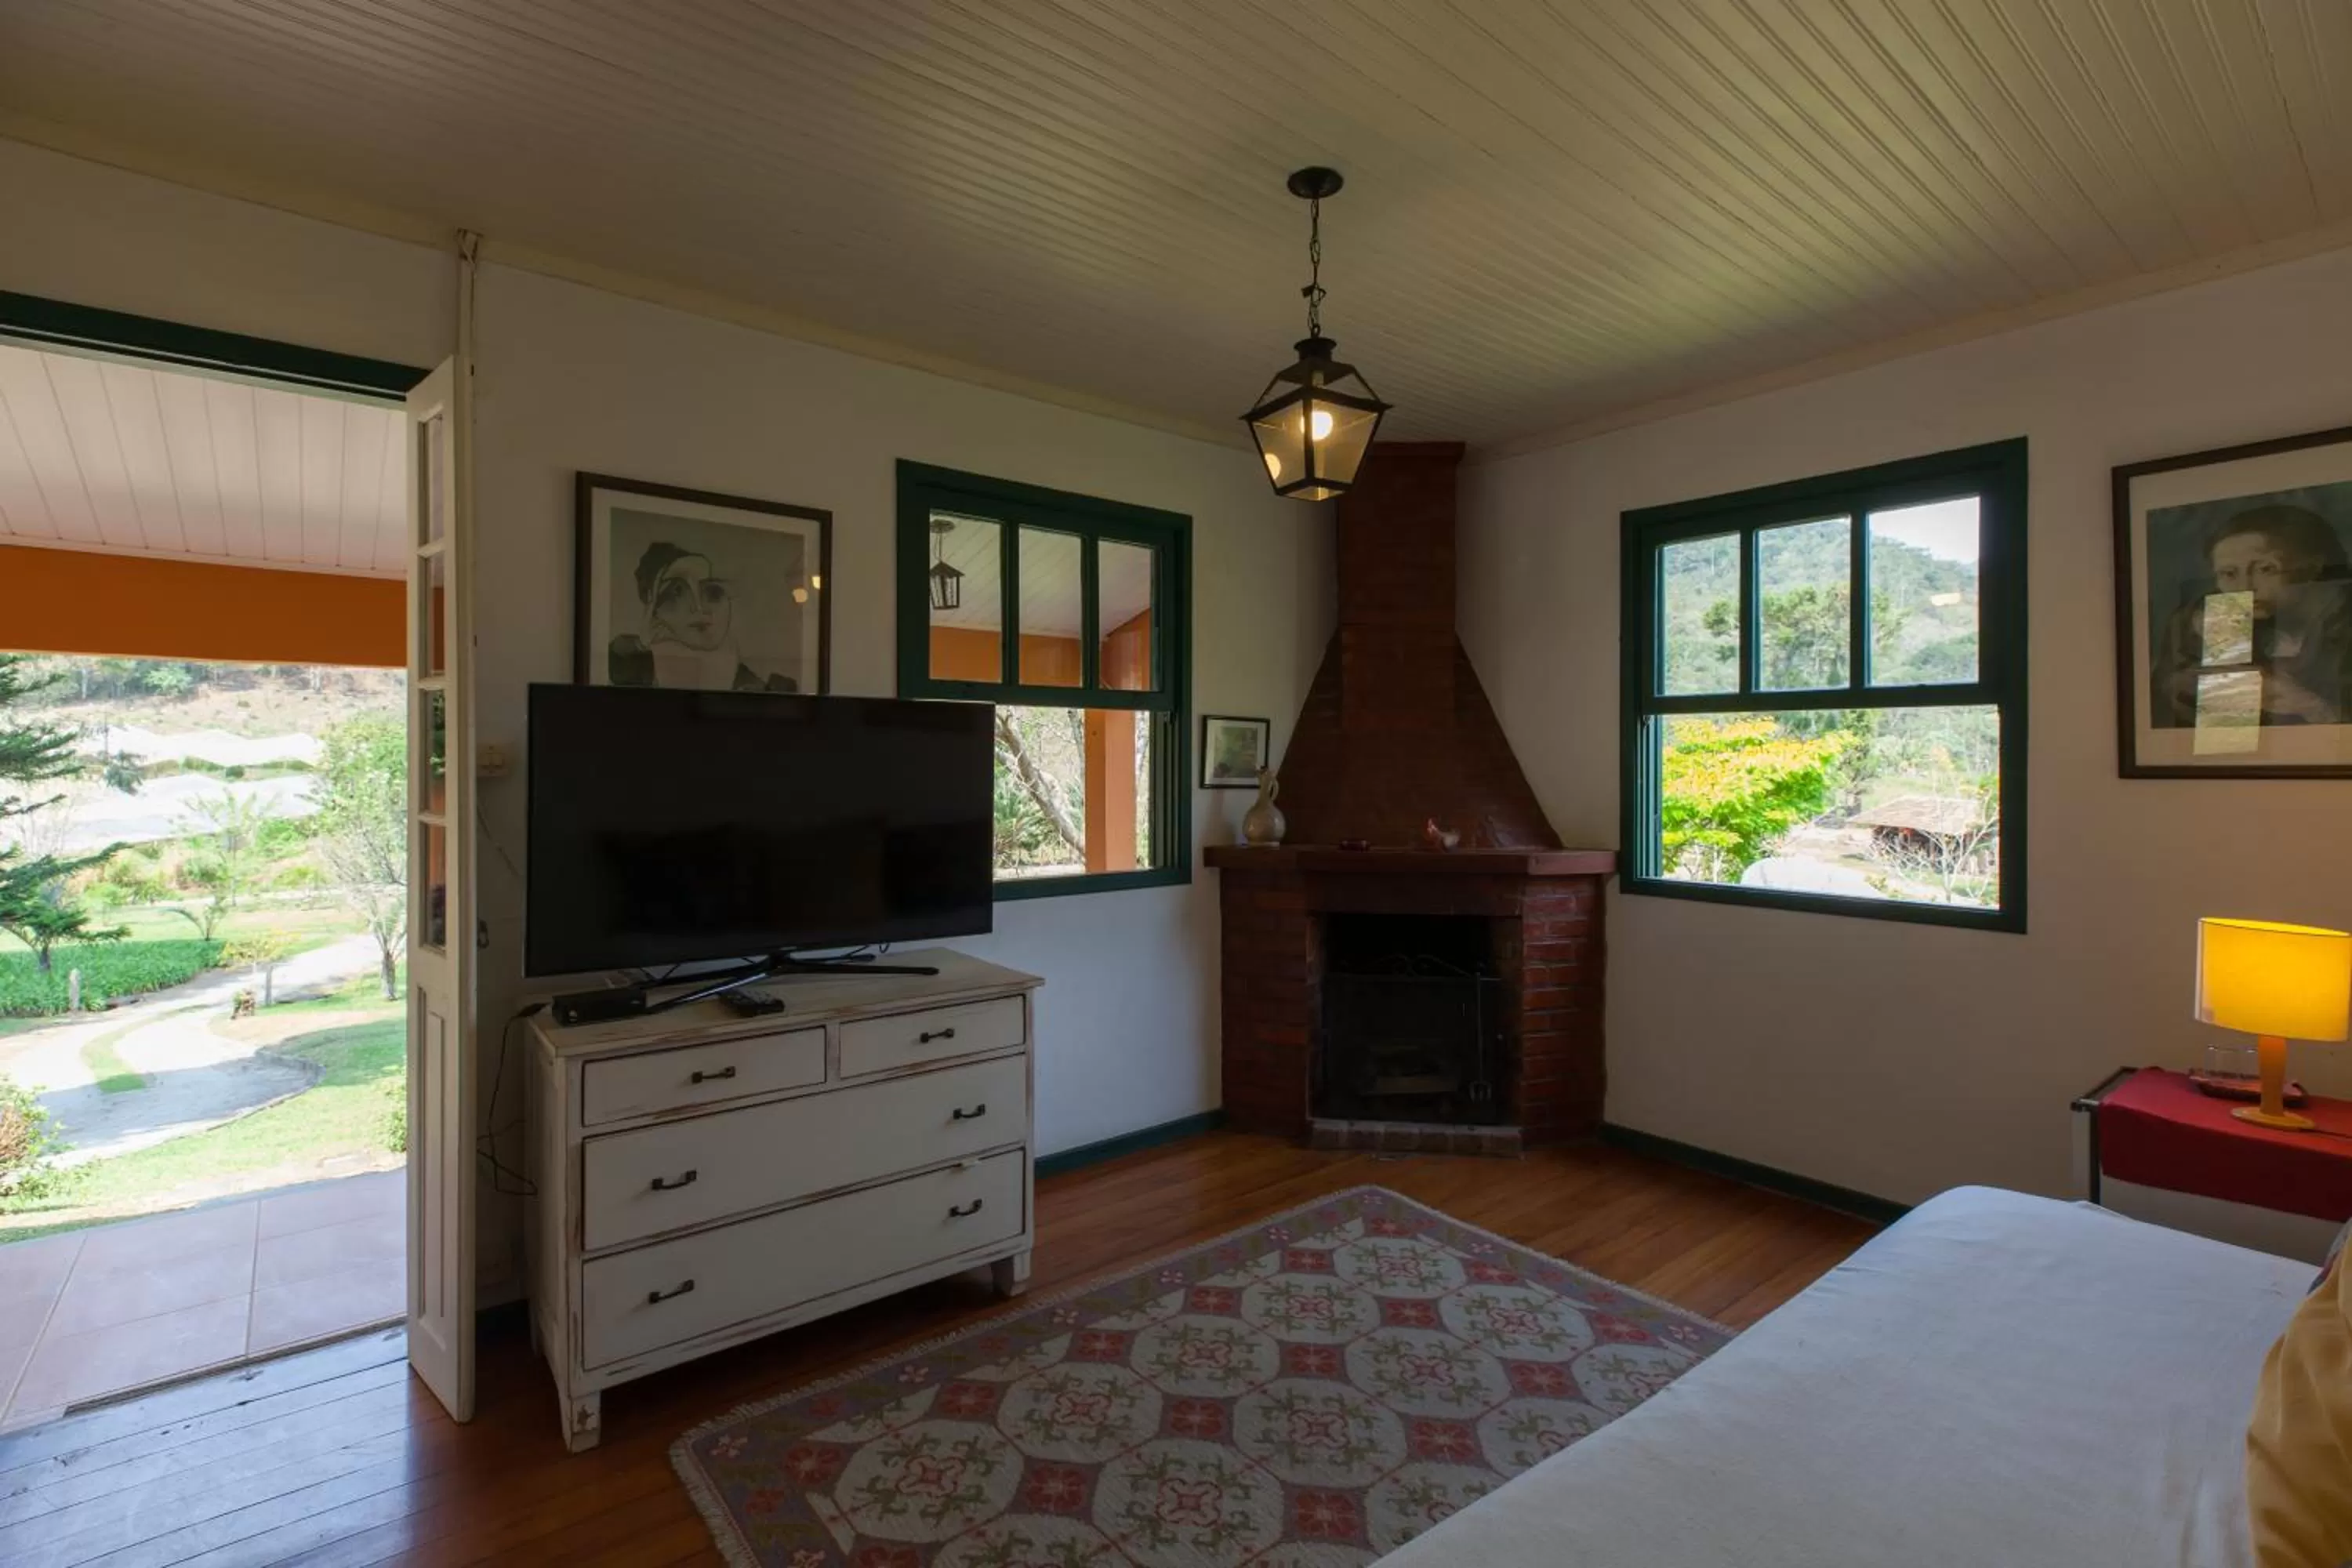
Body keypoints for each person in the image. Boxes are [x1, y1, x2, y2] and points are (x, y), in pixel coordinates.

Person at [2154, 503, 2352, 728]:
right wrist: (2184, 691)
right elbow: (2224, 736)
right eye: (2229, 574)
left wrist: (2314, 708)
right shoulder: (2214, 619)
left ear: (2313, 567)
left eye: (2265, 569)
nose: (2245, 588)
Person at [608, 541, 800, 692]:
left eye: (713, 592)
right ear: (654, 611)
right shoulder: (638, 668)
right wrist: (641, 644)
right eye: (676, 593)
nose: (699, 608)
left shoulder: (765, 687)